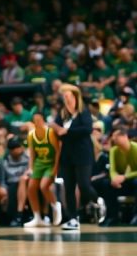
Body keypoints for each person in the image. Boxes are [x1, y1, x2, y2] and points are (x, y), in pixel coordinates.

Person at [50, 84, 105, 230]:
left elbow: (87, 129)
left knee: (84, 185)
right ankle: (73, 219)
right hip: (67, 155)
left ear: (75, 96)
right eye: (64, 96)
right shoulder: (62, 114)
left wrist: (66, 132)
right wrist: (57, 129)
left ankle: (97, 200)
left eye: (67, 95)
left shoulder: (83, 112)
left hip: (83, 154)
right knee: (68, 187)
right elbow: (56, 130)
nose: (65, 98)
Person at [24, 112, 62, 227]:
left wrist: (56, 168)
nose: (37, 122)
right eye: (35, 120)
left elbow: (58, 151)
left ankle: (55, 206)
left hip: (50, 163)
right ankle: (37, 217)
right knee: (31, 188)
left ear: (44, 121)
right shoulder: (31, 135)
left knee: (43, 186)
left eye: (39, 120)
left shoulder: (49, 133)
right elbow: (32, 154)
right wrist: (30, 168)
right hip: (39, 163)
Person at [97, 128, 137, 226]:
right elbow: (112, 169)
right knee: (106, 184)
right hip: (121, 181)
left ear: (125, 136)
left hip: (132, 178)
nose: (114, 138)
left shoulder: (135, 148)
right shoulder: (113, 150)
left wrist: (125, 177)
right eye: (113, 136)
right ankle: (112, 216)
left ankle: (135, 215)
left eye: (116, 136)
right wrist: (114, 179)